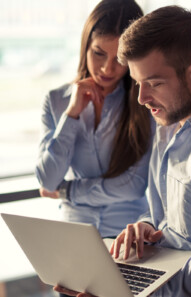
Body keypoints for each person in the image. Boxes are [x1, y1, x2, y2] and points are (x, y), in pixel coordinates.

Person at [54, 5, 191, 297]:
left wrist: (132, 294)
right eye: (137, 83)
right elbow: (172, 223)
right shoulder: (167, 127)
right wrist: (147, 227)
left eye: (154, 83)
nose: (141, 98)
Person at [35, 0, 152, 241]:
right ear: (85, 46)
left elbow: (134, 185)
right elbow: (47, 179)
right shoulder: (56, 101)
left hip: (128, 237)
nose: (107, 69)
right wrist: (72, 114)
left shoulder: (145, 104)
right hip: (74, 235)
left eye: (119, 59)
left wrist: (67, 191)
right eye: (98, 54)